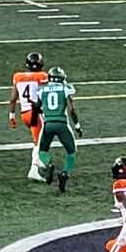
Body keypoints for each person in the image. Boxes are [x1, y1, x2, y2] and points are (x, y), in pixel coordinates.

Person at [34, 65, 81, 193]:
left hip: (48, 124)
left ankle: (49, 164)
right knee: (71, 152)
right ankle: (65, 173)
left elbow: (37, 107)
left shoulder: (42, 89)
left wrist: (41, 113)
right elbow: (72, 110)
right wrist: (77, 125)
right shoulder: (66, 88)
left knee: (42, 151)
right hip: (62, 124)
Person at [8, 50, 48, 181]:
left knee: (39, 139)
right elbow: (46, 94)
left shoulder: (18, 76)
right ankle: (34, 169)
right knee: (38, 143)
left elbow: (13, 99)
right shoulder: (42, 76)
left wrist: (12, 116)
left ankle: (39, 161)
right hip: (35, 113)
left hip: (24, 114)